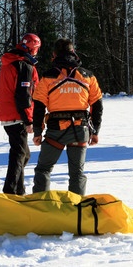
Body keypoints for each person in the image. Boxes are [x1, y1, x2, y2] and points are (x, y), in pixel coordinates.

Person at [32, 38, 103, 195]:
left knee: (43, 169)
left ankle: (39, 205)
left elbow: (38, 105)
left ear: (54, 54)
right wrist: (95, 131)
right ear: (73, 52)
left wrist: (37, 131)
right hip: (80, 129)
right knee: (77, 173)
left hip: (56, 130)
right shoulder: (88, 76)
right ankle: (77, 210)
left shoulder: (48, 77)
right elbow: (97, 106)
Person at [0, 33, 41, 195]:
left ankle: (19, 189)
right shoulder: (24, 66)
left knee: (23, 153)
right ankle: (11, 192)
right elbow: (24, 95)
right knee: (19, 153)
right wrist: (29, 120)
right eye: (36, 49)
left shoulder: (11, 62)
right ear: (31, 48)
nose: (37, 52)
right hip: (17, 115)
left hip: (8, 112)